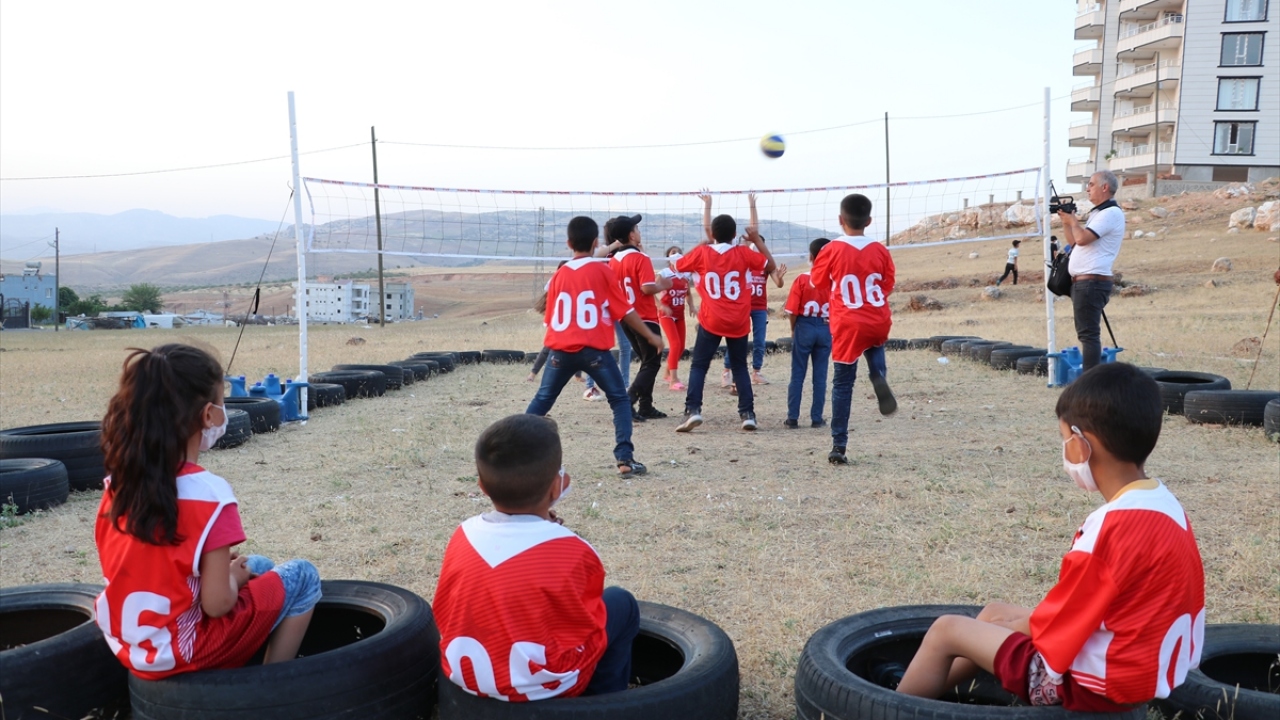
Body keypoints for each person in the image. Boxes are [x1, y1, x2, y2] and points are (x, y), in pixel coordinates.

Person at [895, 363, 1205, 713]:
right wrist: (1013, 622)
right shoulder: (1166, 505)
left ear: (1082, 444)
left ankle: (887, 707)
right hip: (1140, 670)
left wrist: (1022, 625)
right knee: (994, 613)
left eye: (1065, 440)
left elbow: (1060, 623)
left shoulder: (1110, 527)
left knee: (946, 629)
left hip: (1089, 685)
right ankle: (925, 685)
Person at [94, 343, 320, 679]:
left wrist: (229, 572)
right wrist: (234, 576)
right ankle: (271, 690)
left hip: (132, 646)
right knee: (303, 576)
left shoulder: (116, 486)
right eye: (223, 401)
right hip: (184, 650)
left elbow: (151, 563)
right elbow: (217, 605)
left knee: (260, 565)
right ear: (208, 415)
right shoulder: (210, 495)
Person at [433, 414, 640, 701]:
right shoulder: (575, 550)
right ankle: (607, 703)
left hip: (465, 678)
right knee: (622, 603)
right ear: (557, 487)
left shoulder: (461, 534)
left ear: (481, 486)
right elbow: (585, 624)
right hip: (547, 688)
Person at [525, 215, 662, 477]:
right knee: (620, 400)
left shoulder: (559, 275)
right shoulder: (603, 270)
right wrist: (650, 334)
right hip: (593, 351)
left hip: (560, 351)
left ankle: (513, 450)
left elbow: (551, 319)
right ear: (596, 242)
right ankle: (624, 458)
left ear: (568, 243)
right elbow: (625, 311)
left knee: (542, 400)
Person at [810, 193, 897, 465]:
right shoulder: (880, 250)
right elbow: (888, 283)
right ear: (869, 220)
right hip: (877, 316)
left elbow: (818, 281)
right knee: (875, 343)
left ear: (840, 219)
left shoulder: (832, 249)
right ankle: (878, 373)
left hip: (847, 321)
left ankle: (839, 445)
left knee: (842, 384)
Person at [670, 213, 776, 432]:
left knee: (699, 365)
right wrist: (756, 240)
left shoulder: (702, 253)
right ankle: (747, 414)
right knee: (739, 366)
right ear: (735, 235)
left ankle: (693, 410)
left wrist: (701, 243)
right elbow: (770, 265)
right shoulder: (744, 253)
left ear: (713, 235)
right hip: (738, 319)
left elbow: (677, 266)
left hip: (712, 318)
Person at [703, 193, 784, 388]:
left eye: (758, 244)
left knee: (759, 340)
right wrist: (752, 206)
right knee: (736, 339)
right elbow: (752, 229)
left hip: (759, 308)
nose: (754, 246)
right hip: (742, 305)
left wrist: (779, 278)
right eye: (752, 243)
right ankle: (727, 371)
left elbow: (779, 284)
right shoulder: (744, 257)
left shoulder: (764, 264)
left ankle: (756, 371)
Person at [607, 214, 672, 421]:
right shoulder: (640, 258)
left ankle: (646, 406)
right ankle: (628, 401)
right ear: (631, 235)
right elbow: (646, 287)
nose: (639, 232)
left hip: (626, 319)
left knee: (647, 362)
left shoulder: (613, 260)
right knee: (652, 363)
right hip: (644, 317)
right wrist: (663, 285)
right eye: (637, 229)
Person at [1059, 170, 1124, 371]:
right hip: (1085, 282)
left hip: (1091, 282)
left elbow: (1082, 239)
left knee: (1088, 335)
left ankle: (1090, 382)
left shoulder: (1110, 213)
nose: (1087, 188)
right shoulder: (1099, 213)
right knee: (1087, 334)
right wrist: (1066, 222)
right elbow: (1075, 243)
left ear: (1105, 187)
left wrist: (1073, 222)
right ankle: (1091, 380)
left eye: (1091, 184)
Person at [783, 238, 832, 429]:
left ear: (811, 257)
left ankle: (792, 417)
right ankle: (817, 418)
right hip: (825, 326)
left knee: (797, 374)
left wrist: (794, 329)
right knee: (820, 376)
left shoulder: (802, 279)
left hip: (804, 324)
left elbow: (793, 311)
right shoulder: (834, 280)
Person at [658, 245, 696, 391]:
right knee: (674, 344)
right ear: (668, 257)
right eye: (673, 252)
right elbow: (650, 290)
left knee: (680, 347)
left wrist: (692, 306)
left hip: (679, 314)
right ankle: (673, 380)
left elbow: (688, 293)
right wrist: (660, 305)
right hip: (667, 314)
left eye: (679, 252)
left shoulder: (686, 275)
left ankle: (667, 372)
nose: (677, 254)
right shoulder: (665, 273)